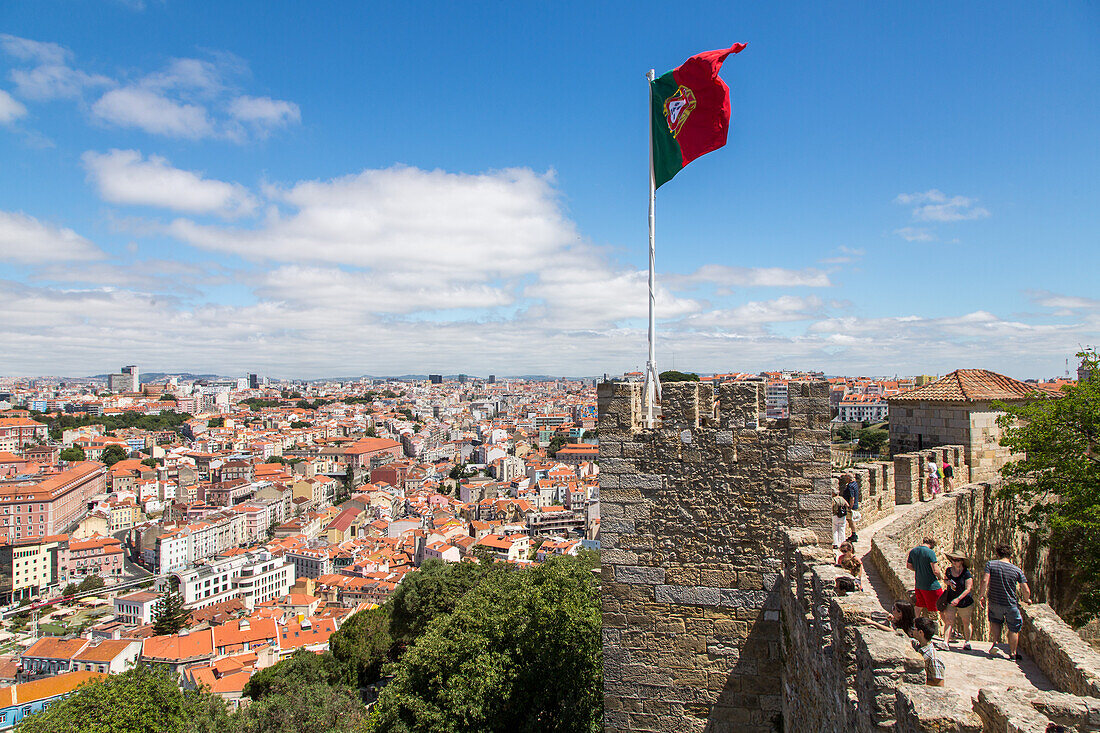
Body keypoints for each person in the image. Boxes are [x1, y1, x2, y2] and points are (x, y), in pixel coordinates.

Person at [981, 544, 1031, 660]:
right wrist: (1026, 599)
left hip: (994, 601)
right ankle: (1013, 654)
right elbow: (1026, 589)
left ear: (998, 554)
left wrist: (981, 596)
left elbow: (984, 580)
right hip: (1010, 603)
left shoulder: (991, 564)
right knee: (1014, 628)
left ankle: (995, 643)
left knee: (996, 622)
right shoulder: (1017, 570)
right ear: (1010, 555)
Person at [939, 549, 974, 649]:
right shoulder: (949, 571)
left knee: (966, 621)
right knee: (949, 621)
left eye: (957, 560)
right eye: (953, 560)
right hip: (951, 600)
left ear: (962, 561)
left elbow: (968, 589)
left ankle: (967, 642)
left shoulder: (966, 574)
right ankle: (945, 642)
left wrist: (958, 599)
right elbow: (945, 580)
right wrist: (948, 583)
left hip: (964, 602)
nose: (954, 562)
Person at [907, 536, 943, 614]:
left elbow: (909, 566)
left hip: (919, 585)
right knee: (939, 606)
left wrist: (919, 569)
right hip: (931, 586)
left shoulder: (913, 551)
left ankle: (916, 620)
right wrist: (940, 577)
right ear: (932, 544)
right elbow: (935, 571)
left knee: (919, 605)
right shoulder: (930, 552)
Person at [913, 617, 945, 686]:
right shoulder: (918, 646)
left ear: (920, 632)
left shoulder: (933, 658)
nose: (912, 631)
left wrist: (919, 680)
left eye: (914, 629)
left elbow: (939, 684)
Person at [841, 473, 860, 542]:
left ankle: (854, 535)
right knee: (852, 520)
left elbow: (852, 497)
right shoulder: (855, 484)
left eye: (846, 478)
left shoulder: (850, 486)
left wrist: (850, 507)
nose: (845, 479)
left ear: (848, 478)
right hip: (855, 505)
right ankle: (854, 534)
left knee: (851, 521)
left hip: (851, 506)